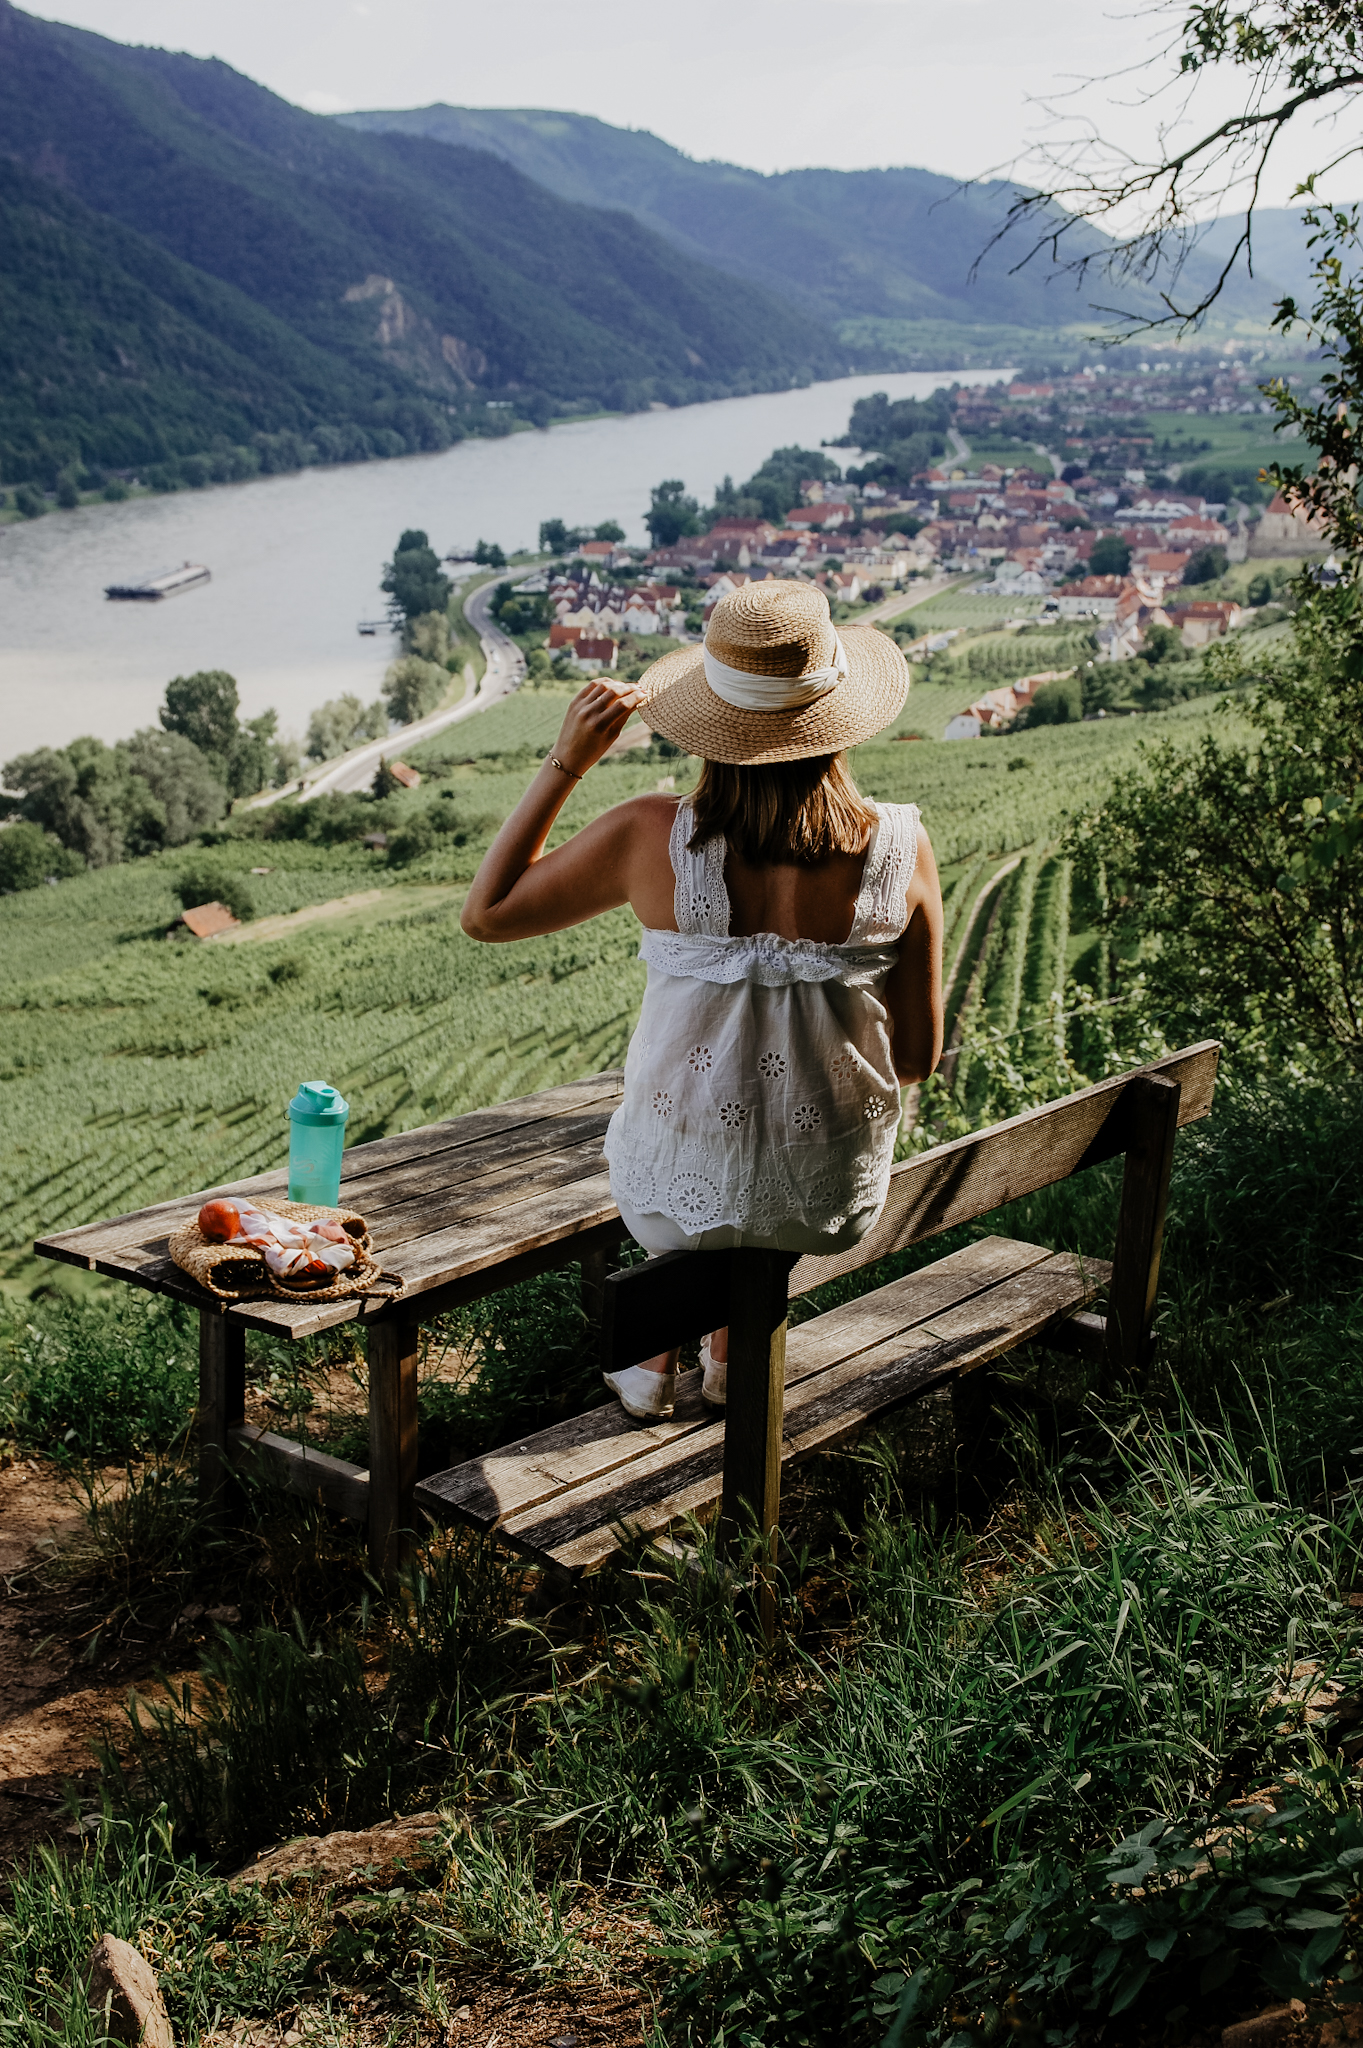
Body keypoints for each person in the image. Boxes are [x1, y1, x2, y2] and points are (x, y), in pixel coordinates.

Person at [462, 581, 944, 1420]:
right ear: (836, 715)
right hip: (827, 1198)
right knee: (771, 1151)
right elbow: (913, 1061)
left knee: (692, 1134)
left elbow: (487, 915)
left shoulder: (652, 834)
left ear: (711, 721)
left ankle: (655, 1363)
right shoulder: (900, 846)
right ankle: (730, 1353)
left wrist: (567, 761)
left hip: (668, 1207)